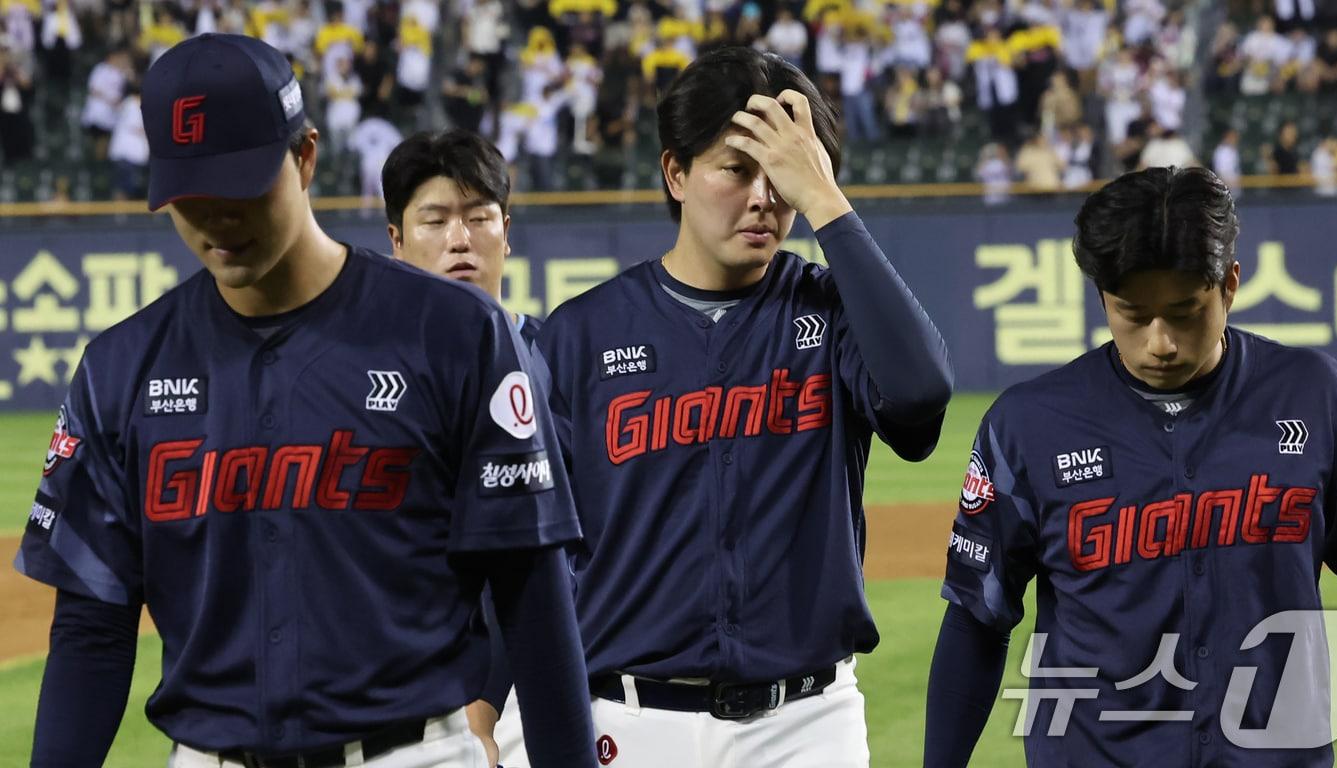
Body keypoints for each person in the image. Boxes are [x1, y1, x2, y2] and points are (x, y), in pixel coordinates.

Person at [15, 33, 596, 768]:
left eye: (242, 186)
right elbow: (92, 630)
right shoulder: (121, 367)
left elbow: (532, 597)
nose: (219, 219)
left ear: (306, 156)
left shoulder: (453, 333)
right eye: (192, 196)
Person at [534, 46, 954, 767]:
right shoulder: (582, 333)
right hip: (627, 724)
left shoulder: (832, 310)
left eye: (783, 174)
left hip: (805, 726)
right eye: (737, 169)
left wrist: (826, 201)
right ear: (676, 172)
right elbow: (533, 552)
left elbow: (918, 397)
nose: (765, 197)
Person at [924, 166, 1337, 767]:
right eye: (1133, 313)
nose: (1160, 343)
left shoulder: (1318, 395)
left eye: (1183, 312)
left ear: (1229, 284)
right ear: (1101, 295)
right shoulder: (1027, 424)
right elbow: (976, 620)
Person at [381, 127, 548, 768]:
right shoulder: (360, 379)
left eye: (479, 218)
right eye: (435, 220)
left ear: (506, 229)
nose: (460, 240)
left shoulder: (554, 360)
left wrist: (483, 707)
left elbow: (539, 564)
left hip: (522, 703)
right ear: (396, 240)